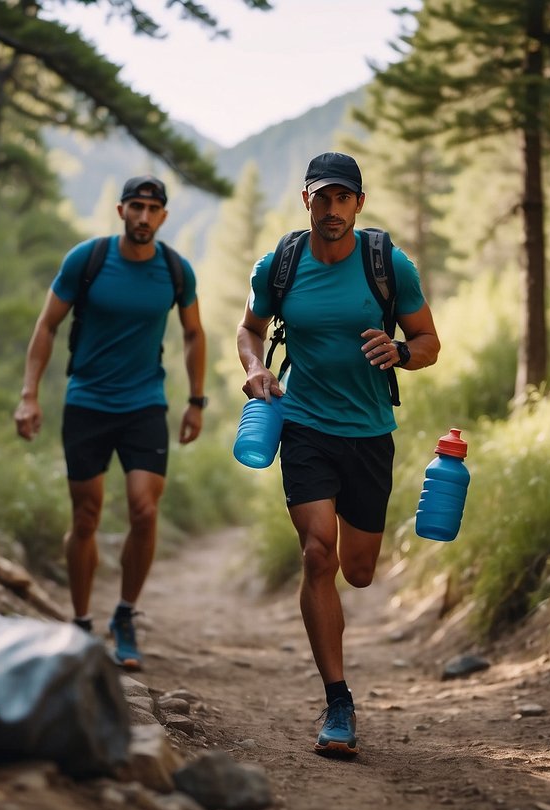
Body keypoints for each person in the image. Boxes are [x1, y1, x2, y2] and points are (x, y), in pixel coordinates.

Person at [236, 152, 440, 756]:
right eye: (321, 198)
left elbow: (429, 342)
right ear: (306, 200)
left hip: (370, 433)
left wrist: (400, 352)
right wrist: (253, 368)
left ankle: (339, 689)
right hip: (303, 426)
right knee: (318, 552)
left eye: (342, 199)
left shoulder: (387, 265)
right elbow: (249, 328)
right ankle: (338, 702)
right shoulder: (282, 264)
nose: (332, 210)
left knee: (358, 569)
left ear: (359, 202)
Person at [15, 174, 207, 670]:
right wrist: (29, 396)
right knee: (86, 516)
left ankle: (124, 616)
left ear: (164, 217)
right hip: (87, 401)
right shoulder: (88, 260)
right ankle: (80, 623)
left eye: (153, 209)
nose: (144, 217)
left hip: (144, 402)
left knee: (144, 509)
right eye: (136, 207)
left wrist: (196, 400)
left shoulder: (175, 270)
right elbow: (47, 325)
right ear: (121, 210)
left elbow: (192, 333)